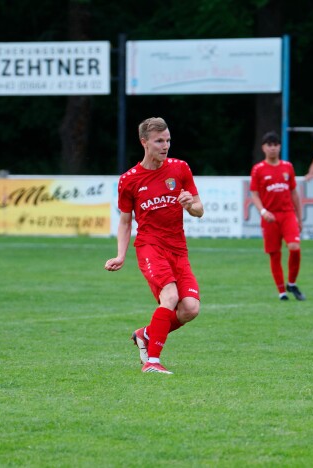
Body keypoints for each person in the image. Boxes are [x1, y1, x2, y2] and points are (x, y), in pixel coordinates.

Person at [104, 117, 204, 375]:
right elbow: (125, 222)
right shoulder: (129, 180)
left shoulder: (180, 168)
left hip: (178, 248)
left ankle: (145, 334)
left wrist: (189, 205)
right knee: (169, 297)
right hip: (150, 247)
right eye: (160, 141)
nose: (165, 145)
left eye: (168, 140)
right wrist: (120, 255)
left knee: (190, 308)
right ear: (144, 142)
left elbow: (199, 210)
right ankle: (153, 362)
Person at [250, 132, 305, 301]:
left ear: (279, 147)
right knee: (275, 254)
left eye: (275, 144)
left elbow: (294, 192)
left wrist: (299, 217)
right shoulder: (258, 169)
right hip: (270, 217)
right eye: (269, 144)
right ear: (264, 148)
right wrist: (263, 212)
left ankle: (292, 283)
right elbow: (254, 194)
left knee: (295, 248)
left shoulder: (288, 166)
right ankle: (282, 291)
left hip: (287, 214)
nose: (273, 147)